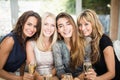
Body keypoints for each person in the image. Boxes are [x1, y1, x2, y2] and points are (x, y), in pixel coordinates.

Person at [77, 9, 120, 80]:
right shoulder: (88, 40)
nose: (82, 28)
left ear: (93, 24)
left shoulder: (104, 41)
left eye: (86, 24)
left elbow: (112, 73)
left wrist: (96, 79)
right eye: (80, 25)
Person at [0, 10, 41, 80]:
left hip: (11, 76)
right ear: (22, 23)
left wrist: (23, 76)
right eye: (29, 24)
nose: (32, 29)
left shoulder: (27, 41)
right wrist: (20, 78)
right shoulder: (10, 40)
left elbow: (22, 64)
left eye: (35, 26)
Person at [26, 12, 58, 80]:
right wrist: (41, 78)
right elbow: (32, 68)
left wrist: (48, 77)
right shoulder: (31, 44)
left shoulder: (56, 44)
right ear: (40, 25)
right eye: (46, 24)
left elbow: (57, 66)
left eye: (52, 25)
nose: (49, 28)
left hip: (52, 77)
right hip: (36, 78)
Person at [52, 12, 85, 80]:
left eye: (68, 24)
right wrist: (65, 77)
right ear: (58, 30)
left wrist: (78, 78)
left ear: (73, 25)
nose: (65, 28)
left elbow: (89, 66)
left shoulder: (84, 42)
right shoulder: (57, 45)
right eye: (61, 26)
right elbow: (59, 69)